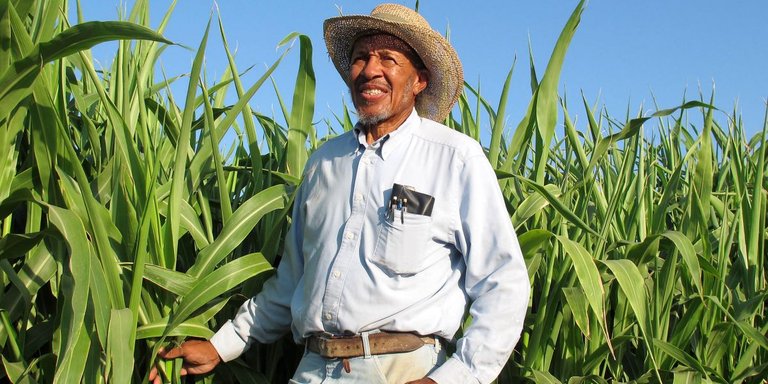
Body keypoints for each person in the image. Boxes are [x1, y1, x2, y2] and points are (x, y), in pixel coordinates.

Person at [150, 3, 529, 384]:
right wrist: (221, 345)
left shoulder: (454, 159)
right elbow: (291, 283)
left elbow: (503, 282)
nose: (370, 70)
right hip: (312, 368)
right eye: (361, 58)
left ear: (420, 81)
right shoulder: (322, 164)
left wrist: (453, 378)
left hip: (403, 368)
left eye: (389, 58)